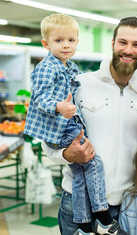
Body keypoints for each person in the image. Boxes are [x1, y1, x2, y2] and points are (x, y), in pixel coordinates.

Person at [42, 17, 137, 235]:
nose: (128, 50)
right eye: (123, 42)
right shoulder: (80, 84)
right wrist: (67, 154)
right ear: (112, 43)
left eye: (136, 44)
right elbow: (49, 141)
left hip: (125, 205)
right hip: (76, 201)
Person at [24, 14, 120, 235]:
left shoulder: (69, 66)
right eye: (58, 40)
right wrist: (60, 107)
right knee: (94, 163)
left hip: (66, 123)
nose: (65, 45)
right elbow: (39, 98)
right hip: (62, 126)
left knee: (79, 173)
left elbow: (84, 81)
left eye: (70, 40)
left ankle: (84, 222)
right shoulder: (47, 67)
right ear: (46, 44)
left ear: (77, 41)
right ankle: (102, 214)